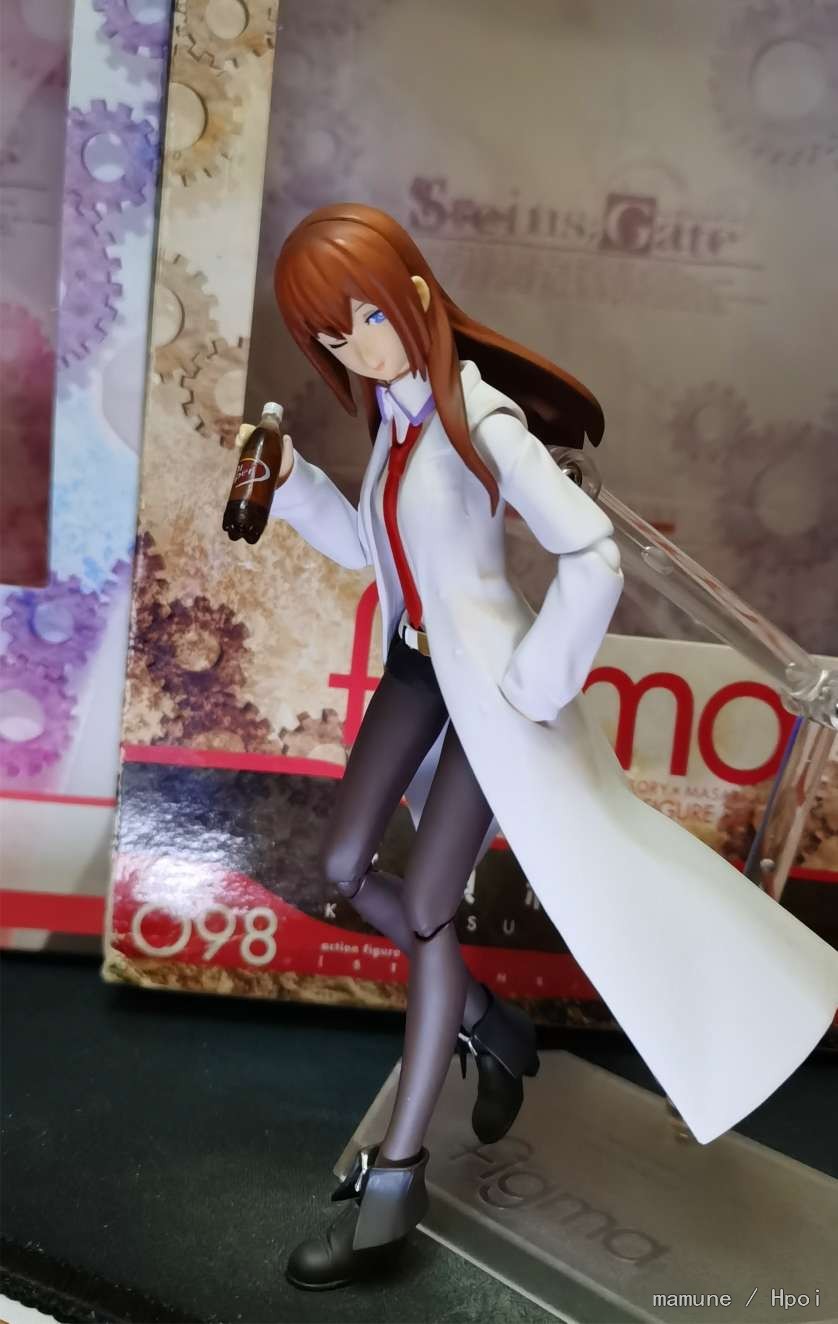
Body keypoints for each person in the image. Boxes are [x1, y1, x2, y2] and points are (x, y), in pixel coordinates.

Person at [240, 203, 838, 1291]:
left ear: (414, 292)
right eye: (331, 337)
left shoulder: (478, 416)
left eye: (364, 318)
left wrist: (534, 682)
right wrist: (291, 489)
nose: (356, 349)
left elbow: (591, 551)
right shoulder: (395, 417)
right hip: (416, 670)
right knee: (342, 866)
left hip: (490, 696)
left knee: (429, 909)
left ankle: (395, 1179)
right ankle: (488, 1022)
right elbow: (376, 551)